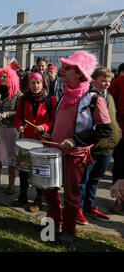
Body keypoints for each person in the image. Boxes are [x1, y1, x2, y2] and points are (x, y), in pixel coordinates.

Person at [41, 51, 112, 244]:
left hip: (76, 155)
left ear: (80, 73)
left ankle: (69, 231)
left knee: (72, 195)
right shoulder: (65, 95)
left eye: (67, 68)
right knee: (50, 190)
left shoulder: (95, 99)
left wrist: (75, 139)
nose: (62, 71)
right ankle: (53, 225)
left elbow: (105, 130)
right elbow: (61, 121)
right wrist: (51, 133)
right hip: (55, 151)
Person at [76, 67, 121, 224]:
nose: (107, 83)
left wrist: (118, 134)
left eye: (109, 80)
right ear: (93, 79)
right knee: (83, 180)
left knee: (95, 179)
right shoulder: (89, 97)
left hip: (108, 146)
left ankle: (90, 206)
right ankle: (78, 209)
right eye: (103, 80)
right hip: (93, 147)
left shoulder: (109, 96)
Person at [13, 73, 57, 212]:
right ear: (28, 85)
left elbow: (54, 120)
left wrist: (44, 127)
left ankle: (38, 200)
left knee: (39, 171)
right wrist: (19, 125)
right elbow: (18, 117)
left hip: (42, 141)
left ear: (43, 83)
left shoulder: (51, 100)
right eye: (33, 83)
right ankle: (23, 195)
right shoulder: (22, 99)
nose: (36, 86)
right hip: (26, 140)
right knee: (23, 170)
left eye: (38, 83)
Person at [0, 66, 21, 194]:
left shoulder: (18, 95)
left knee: (11, 157)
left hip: (10, 129)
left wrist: (7, 113)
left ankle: (11, 184)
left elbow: (18, 111)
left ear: (11, 78)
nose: (1, 78)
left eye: (4, 76)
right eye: (0, 76)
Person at [108, 62, 124, 213]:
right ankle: (119, 201)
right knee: (119, 167)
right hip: (121, 133)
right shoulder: (118, 83)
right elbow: (110, 108)